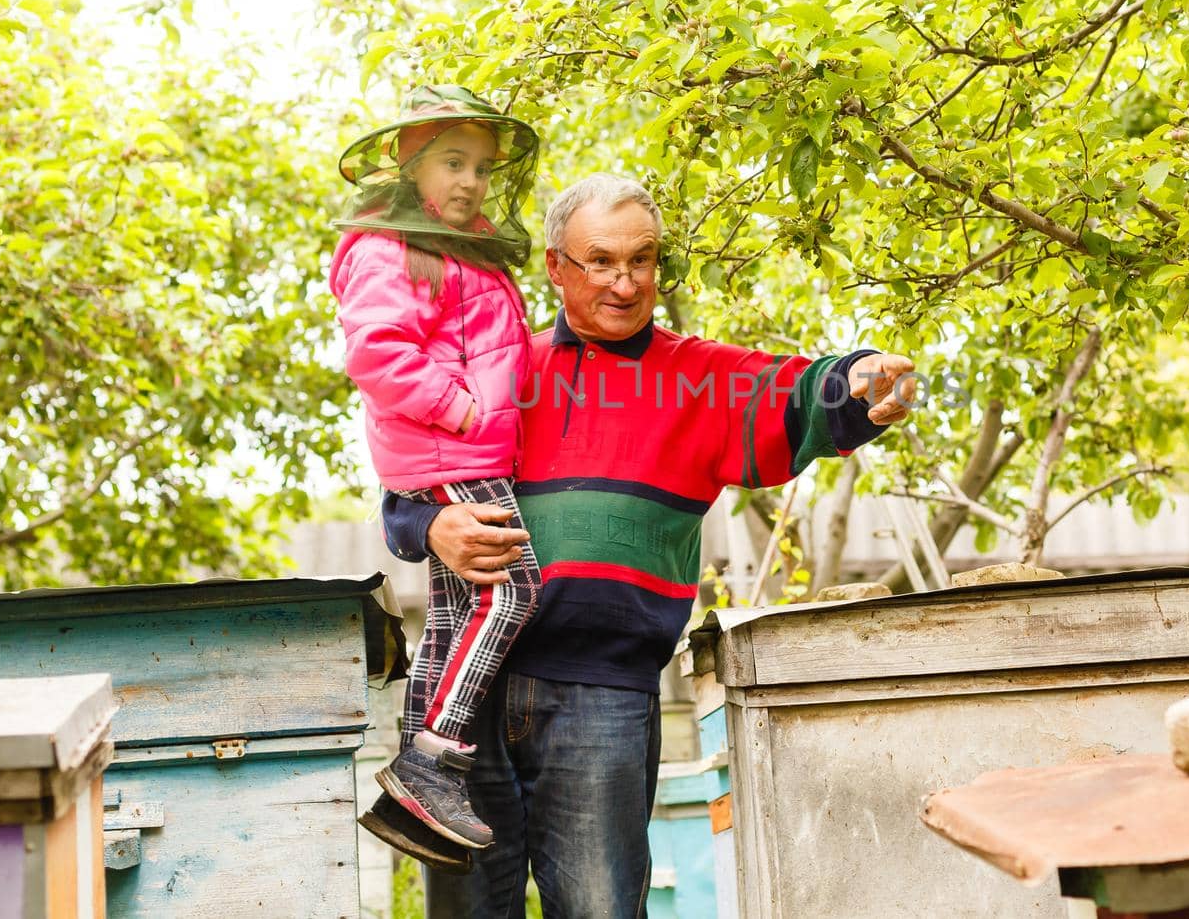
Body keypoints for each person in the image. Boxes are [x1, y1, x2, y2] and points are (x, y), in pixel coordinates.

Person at [368, 173, 918, 917]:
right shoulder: (500, 366)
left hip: (604, 698)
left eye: (642, 259)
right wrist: (433, 527)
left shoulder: (699, 376)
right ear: (557, 267)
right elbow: (406, 491)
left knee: (600, 908)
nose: (625, 282)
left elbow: (799, 391)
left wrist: (858, 377)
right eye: (600, 260)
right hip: (470, 701)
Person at [329, 85, 545, 852]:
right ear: (408, 160)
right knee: (515, 586)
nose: (470, 181)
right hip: (452, 451)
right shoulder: (389, 247)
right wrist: (459, 408)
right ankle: (434, 759)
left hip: (471, 448)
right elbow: (376, 351)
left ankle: (414, 773)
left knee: (456, 611)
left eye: (483, 168)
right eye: (453, 161)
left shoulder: (468, 249)